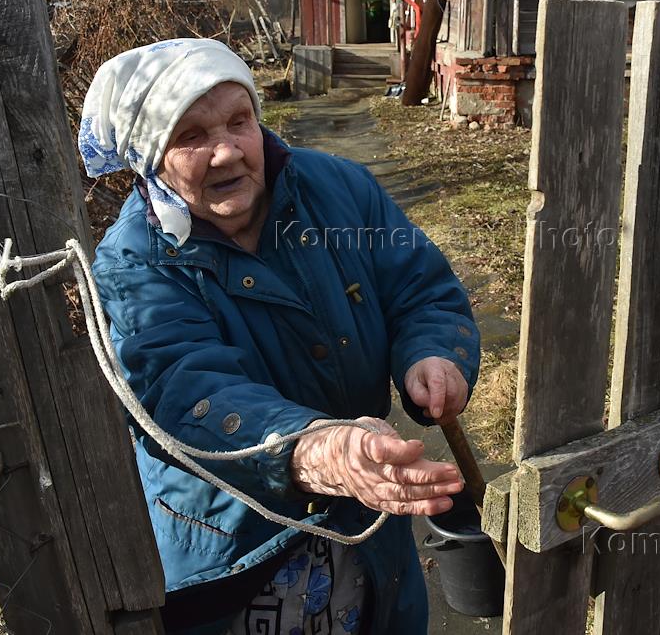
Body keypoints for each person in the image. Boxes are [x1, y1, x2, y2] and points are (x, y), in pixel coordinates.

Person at [79, 39, 481, 635]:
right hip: (237, 545)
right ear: (149, 156)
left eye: (239, 121)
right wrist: (317, 450)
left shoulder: (337, 189)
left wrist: (433, 354)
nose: (226, 151)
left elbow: (418, 288)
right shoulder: (134, 263)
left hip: (364, 512)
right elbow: (186, 389)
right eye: (191, 136)